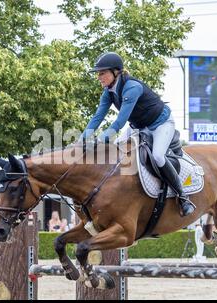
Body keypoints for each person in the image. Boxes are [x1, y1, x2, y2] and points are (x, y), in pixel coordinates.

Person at [81, 52, 195, 216]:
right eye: (98, 73)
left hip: (161, 124)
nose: (99, 77)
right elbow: (97, 117)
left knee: (157, 156)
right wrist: (81, 140)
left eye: (102, 73)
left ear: (116, 72)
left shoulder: (132, 88)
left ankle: (183, 197)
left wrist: (99, 140)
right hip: (139, 126)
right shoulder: (108, 92)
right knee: (115, 152)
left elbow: (119, 123)